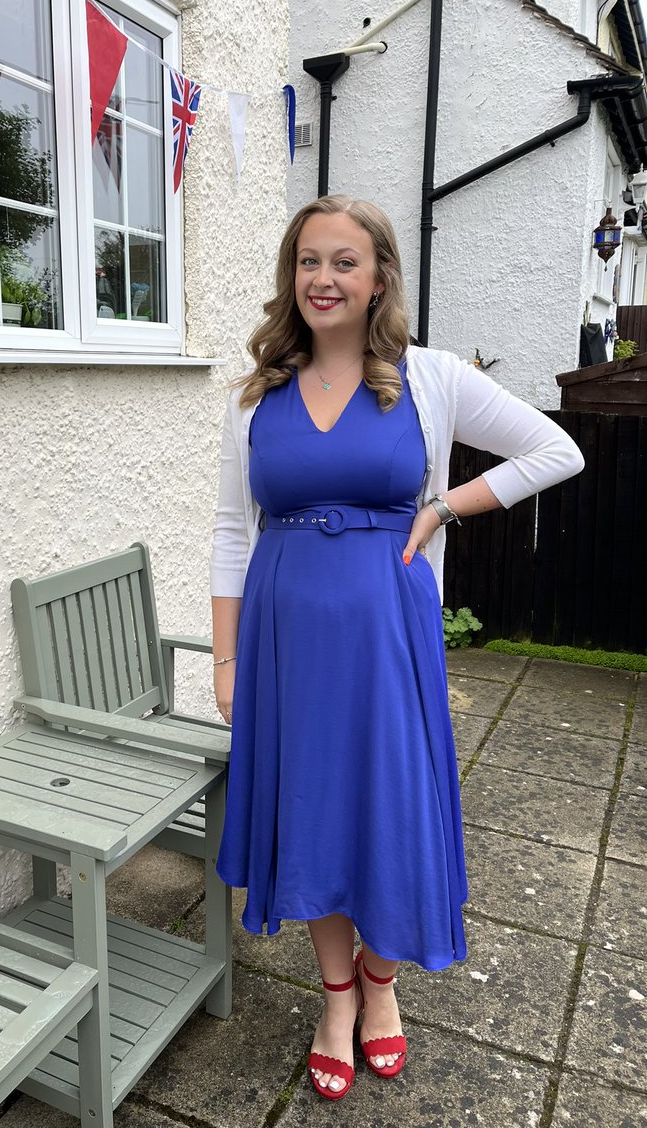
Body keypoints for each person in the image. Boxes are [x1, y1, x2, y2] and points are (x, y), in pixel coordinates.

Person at [209, 195, 584, 1101]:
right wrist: (225, 662)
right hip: (287, 642)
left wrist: (447, 505)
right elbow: (232, 532)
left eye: (344, 261)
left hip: (388, 635)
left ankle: (382, 994)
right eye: (307, 261)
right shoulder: (254, 394)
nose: (323, 279)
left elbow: (555, 449)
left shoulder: (431, 377)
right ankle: (335, 999)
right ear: (288, 277)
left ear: (379, 276)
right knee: (314, 816)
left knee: (385, 812)